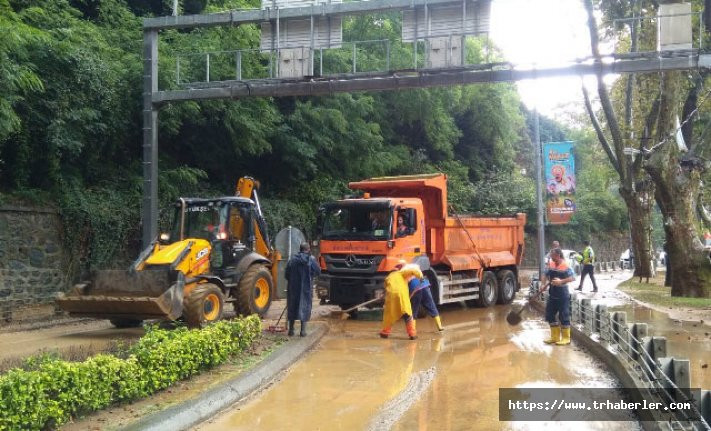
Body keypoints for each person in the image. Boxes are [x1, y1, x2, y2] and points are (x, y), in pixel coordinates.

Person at [285, 242, 321, 337]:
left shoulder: (292, 260)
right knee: (305, 307)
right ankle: (303, 331)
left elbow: (286, 274)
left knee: (292, 306)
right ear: (308, 249)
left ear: (300, 249)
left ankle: (291, 331)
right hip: (306, 289)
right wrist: (311, 275)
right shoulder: (311, 259)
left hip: (293, 288)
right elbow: (318, 271)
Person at [541, 248, 575, 346]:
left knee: (564, 315)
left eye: (553, 256)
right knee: (550, 314)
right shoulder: (551, 264)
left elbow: (573, 277)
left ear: (558, 255)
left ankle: (566, 338)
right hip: (553, 293)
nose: (551, 257)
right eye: (551, 256)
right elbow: (545, 274)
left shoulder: (565, 265)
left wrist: (561, 281)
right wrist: (542, 284)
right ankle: (555, 337)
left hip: (562, 294)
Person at [380, 261, 420, 340]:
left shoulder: (389, 277)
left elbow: (386, 288)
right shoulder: (403, 274)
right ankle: (412, 334)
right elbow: (413, 272)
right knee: (407, 314)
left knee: (389, 315)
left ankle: (385, 333)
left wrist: (383, 295)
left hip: (391, 297)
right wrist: (420, 275)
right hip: (402, 297)